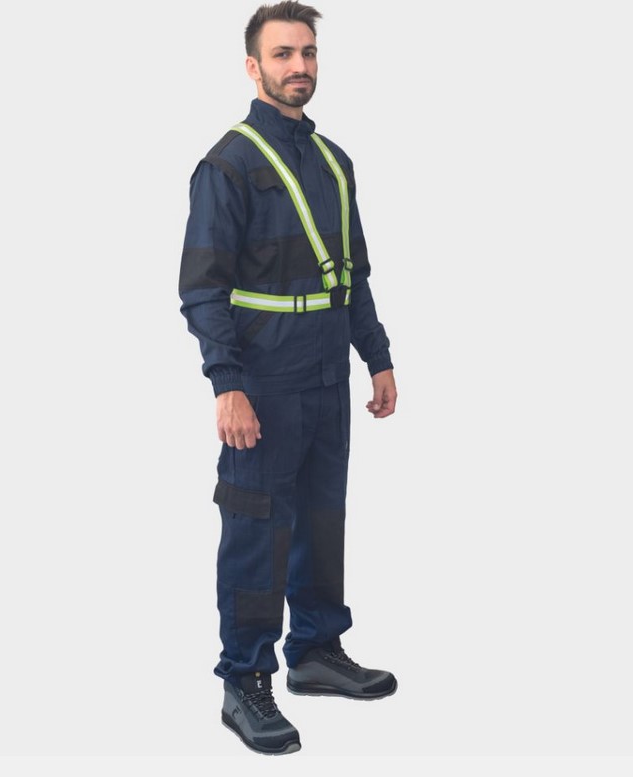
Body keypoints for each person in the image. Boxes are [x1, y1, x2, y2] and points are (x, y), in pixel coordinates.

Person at [179, 0, 398, 756]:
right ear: (254, 67)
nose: (299, 66)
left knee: (322, 517)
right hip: (263, 380)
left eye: (307, 53)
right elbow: (202, 289)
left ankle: (315, 651)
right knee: (255, 526)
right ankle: (245, 679)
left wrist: (376, 355)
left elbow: (352, 272)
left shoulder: (335, 161)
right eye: (282, 54)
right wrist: (227, 383)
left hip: (328, 372)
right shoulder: (228, 165)